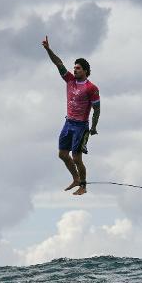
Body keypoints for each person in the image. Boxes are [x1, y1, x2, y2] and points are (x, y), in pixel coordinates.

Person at [42, 35, 100, 196]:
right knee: (62, 154)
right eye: (74, 68)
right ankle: (75, 178)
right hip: (68, 123)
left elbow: (97, 109)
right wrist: (48, 49)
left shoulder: (91, 88)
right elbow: (58, 63)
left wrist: (93, 127)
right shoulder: (69, 80)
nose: (75, 70)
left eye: (78, 68)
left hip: (81, 126)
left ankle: (83, 185)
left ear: (86, 71)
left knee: (76, 158)